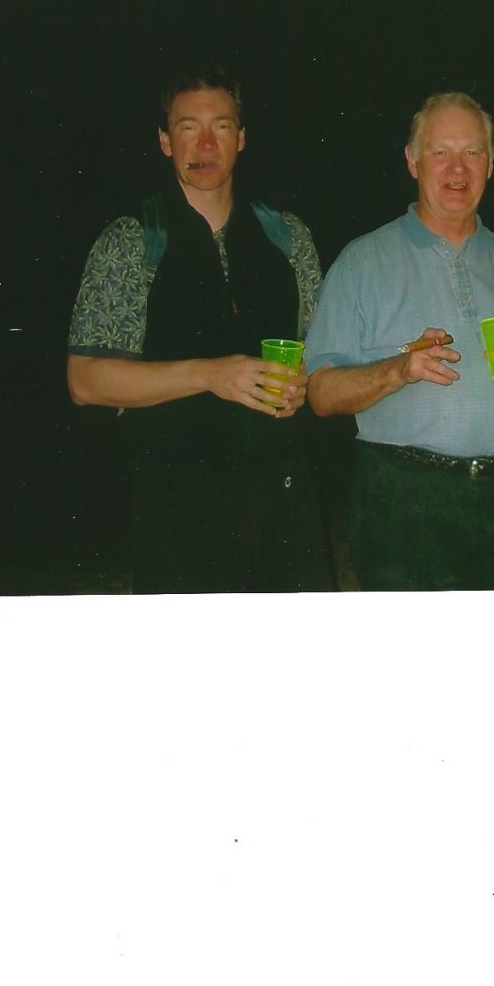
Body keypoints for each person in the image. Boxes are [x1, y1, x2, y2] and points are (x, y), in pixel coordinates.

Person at [67, 63, 333, 593]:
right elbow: (85, 381)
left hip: (282, 501)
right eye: (189, 127)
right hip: (175, 509)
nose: (206, 143)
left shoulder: (290, 236)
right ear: (166, 140)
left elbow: (319, 359)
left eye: (222, 126)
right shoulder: (131, 241)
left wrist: (307, 382)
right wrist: (210, 375)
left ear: (242, 138)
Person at [305, 92, 494, 590]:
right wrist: (399, 369)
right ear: (411, 160)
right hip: (404, 502)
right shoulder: (362, 262)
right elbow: (319, 393)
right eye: (440, 151)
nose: (457, 168)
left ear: (490, 164)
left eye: (472, 152)